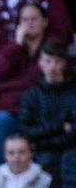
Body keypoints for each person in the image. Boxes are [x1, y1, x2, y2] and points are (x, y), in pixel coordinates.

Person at [0, 1, 49, 172]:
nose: (29, 23)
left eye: (34, 18)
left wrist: (11, 82)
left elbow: (41, 80)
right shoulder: (11, 48)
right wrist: (17, 46)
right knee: (0, 124)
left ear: (45, 21)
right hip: (12, 111)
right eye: (24, 19)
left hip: (42, 112)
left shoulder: (51, 48)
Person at [17, 40, 76, 177]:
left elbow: (74, 131)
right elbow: (26, 131)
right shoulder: (31, 95)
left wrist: (45, 139)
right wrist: (60, 127)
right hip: (40, 152)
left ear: (64, 64)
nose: (52, 66)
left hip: (70, 150)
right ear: (40, 63)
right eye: (48, 61)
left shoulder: (73, 94)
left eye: (57, 61)